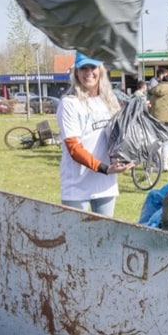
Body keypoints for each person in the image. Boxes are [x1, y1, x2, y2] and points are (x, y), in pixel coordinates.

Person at [57, 52, 133, 216]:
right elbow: (74, 148)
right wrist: (104, 168)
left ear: (101, 70)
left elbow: (119, 137)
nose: (89, 72)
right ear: (76, 72)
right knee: (78, 240)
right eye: (83, 68)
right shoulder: (70, 103)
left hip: (105, 185)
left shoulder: (109, 100)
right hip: (76, 187)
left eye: (93, 67)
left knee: (105, 239)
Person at [147, 67, 168, 168]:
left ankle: (158, 165)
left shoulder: (154, 90)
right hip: (167, 121)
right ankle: (165, 164)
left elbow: (151, 102)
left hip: (155, 120)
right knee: (166, 143)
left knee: (157, 143)